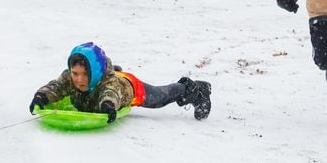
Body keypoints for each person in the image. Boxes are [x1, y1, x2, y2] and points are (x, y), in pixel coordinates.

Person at [28, 42, 211, 123]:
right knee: (98, 79)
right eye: (75, 73)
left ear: (95, 72)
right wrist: (41, 97)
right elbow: (57, 86)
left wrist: (108, 105)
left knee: (159, 97)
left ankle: (193, 89)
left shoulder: (110, 86)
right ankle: (114, 70)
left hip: (127, 88)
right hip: (109, 77)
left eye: (85, 74)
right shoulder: (72, 77)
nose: (79, 79)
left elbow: (111, 92)